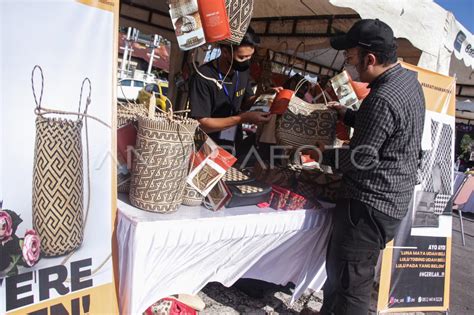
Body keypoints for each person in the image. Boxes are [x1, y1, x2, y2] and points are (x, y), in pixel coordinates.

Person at [317, 19, 425, 315]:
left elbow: (361, 159)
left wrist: (321, 154)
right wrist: (348, 115)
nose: (348, 65)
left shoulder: (382, 97)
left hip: (367, 205)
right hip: (391, 200)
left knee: (352, 283)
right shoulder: (406, 82)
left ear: (371, 58)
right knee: (341, 274)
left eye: (350, 58)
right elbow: (389, 129)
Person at [189, 28, 281, 154]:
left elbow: (247, 101)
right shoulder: (203, 77)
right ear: (225, 51)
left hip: (232, 143)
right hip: (205, 145)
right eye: (242, 57)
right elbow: (201, 123)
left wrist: (264, 96)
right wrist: (242, 118)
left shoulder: (242, 71)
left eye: (250, 57)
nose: (246, 62)